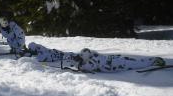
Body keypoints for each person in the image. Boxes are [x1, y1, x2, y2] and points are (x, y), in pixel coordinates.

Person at [28, 42, 166, 73]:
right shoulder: (91, 56)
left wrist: (78, 63)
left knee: (135, 63)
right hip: (115, 61)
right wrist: (78, 59)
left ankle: (154, 61)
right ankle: (154, 60)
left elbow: (84, 67)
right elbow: (83, 62)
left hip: (116, 63)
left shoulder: (92, 61)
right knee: (134, 62)